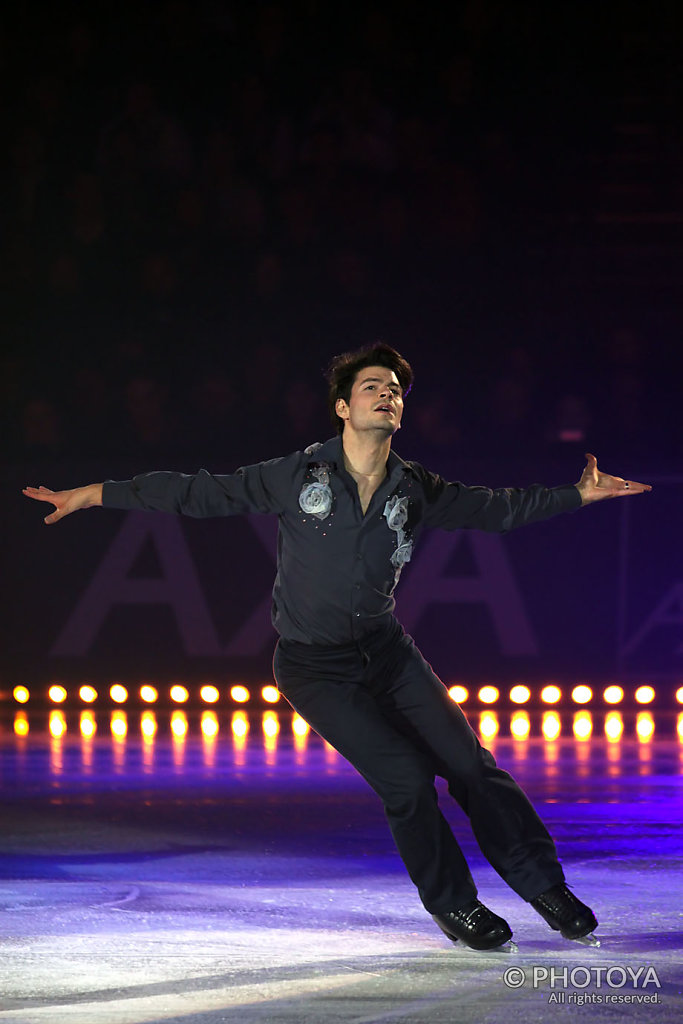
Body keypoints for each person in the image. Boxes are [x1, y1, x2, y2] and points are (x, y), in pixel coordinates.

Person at [23, 343, 651, 951]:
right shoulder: (298, 475)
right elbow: (196, 491)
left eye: (396, 390)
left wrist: (577, 495)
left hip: (388, 654)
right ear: (344, 409)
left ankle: (545, 888)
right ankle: (453, 903)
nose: (387, 395)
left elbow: (497, 509)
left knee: (471, 766)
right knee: (406, 781)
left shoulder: (414, 486)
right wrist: (91, 493)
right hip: (314, 668)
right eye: (372, 387)